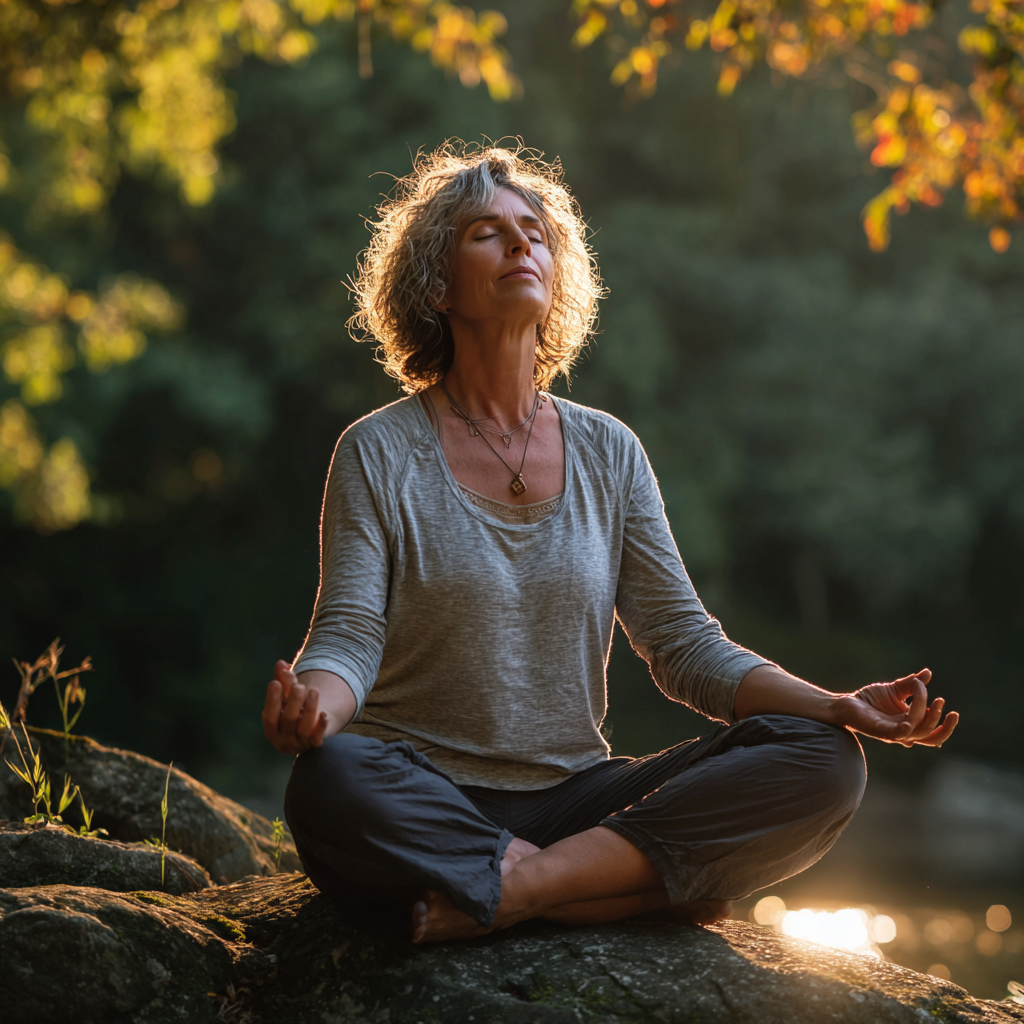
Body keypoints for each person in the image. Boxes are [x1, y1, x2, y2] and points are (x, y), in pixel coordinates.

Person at [262, 143, 958, 945]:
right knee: (330, 780)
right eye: (487, 233)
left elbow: (685, 647)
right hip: (427, 793)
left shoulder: (609, 450)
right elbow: (349, 634)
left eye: (534, 230)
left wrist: (837, 705)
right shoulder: (377, 450)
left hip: (579, 799)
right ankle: (621, 886)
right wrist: (315, 707)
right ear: (436, 286)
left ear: (557, 273)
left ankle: (518, 886)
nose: (522, 243)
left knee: (824, 759)